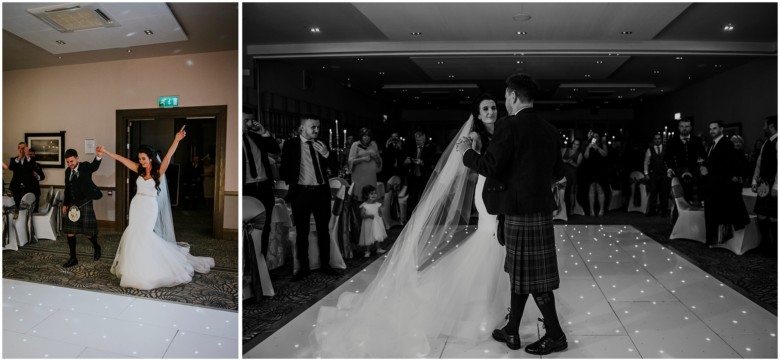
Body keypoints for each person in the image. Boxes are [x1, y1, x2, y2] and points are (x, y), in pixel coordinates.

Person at [313, 93, 512, 357]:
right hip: (487, 191)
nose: (490, 112)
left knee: (497, 242)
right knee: (489, 239)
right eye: (485, 108)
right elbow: (471, 167)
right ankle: (481, 303)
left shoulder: (503, 130)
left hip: (501, 191)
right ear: (477, 113)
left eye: (492, 107)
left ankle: (497, 300)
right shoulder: (475, 137)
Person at [460, 74, 566, 355]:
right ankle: (512, 329)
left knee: (534, 278)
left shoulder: (509, 125)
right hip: (540, 209)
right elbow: (557, 173)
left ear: (514, 96)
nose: (504, 103)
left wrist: (467, 152)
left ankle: (555, 335)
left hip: (519, 212)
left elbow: (490, 166)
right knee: (519, 273)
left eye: (506, 97)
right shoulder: (549, 130)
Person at [99, 126, 215, 290]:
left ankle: (150, 269)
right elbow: (121, 159)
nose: (141, 161)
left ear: (151, 158)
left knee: (146, 235)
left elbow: (168, 156)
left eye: (144, 158)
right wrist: (106, 152)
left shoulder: (159, 171)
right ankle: (134, 267)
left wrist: (176, 139)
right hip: (137, 205)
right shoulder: (138, 170)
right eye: (139, 158)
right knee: (134, 233)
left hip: (149, 206)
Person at [280, 114, 340, 281]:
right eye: (313, 127)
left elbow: (335, 169)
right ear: (302, 127)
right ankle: (304, 267)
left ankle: (326, 264)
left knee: (323, 230)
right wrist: (292, 179)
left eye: (318, 127)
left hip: (321, 192)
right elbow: (284, 168)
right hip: (301, 193)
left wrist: (327, 154)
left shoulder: (322, 144)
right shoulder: (291, 145)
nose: (316, 130)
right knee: (302, 232)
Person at [700, 121, 750, 246]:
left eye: (715, 128)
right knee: (709, 214)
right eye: (710, 129)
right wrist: (703, 167)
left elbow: (726, 165)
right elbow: (710, 162)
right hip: (711, 184)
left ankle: (714, 240)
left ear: (721, 129)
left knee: (715, 214)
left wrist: (708, 170)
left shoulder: (726, 144)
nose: (712, 131)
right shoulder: (712, 144)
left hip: (720, 186)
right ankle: (710, 240)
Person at [243, 110, 281, 257]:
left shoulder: (256, 136)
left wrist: (264, 132)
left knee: (264, 229)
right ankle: (247, 268)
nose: (250, 123)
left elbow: (275, 150)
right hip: (247, 189)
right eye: (246, 120)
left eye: (251, 120)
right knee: (245, 230)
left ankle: (261, 267)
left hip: (264, 188)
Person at [61, 147, 103, 268]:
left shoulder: (84, 166)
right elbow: (67, 189)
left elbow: (94, 166)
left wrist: (99, 155)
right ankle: (73, 258)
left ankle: (96, 247)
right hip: (72, 203)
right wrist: (65, 204)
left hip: (85, 202)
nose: (70, 164)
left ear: (77, 158)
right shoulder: (67, 171)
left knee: (88, 233)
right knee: (70, 232)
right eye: (68, 162)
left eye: (72, 161)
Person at [664, 117, 707, 209]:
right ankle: (678, 220)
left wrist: (701, 166)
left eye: (687, 126)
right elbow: (667, 158)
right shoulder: (672, 141)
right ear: (679, 128)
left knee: (695, 200)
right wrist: (670, 168)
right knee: (679, 200)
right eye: (682, 126)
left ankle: (695, 220)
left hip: (695, 172)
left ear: (690, 128)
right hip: (678, 172)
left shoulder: (697, 140)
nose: (684, 128)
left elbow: (703, 156)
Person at [752, 115, 777, 257]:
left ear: (772, 126)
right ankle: (765, 244)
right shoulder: (766, 143)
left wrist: (777, 186)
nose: (763, 127)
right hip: (763, 184)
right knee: (761, 214)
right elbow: (759, 164)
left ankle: (775, 248)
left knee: (774, 217)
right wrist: (755, 181)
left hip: (774, 185)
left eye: (765, 125)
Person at [404, 131, 437, 215]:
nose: (418, 142)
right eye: (416, 140)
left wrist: (422, 162)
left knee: (424, 196)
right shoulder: (411, 147)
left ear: (424, 139)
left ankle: (425, 214)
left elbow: (433, 161)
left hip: (424, 176)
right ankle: (411, 216)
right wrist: (407, 161)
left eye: (420, 140)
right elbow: (406, 156)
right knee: (412, 197)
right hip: (413, 176)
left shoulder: (430, 147)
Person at [9, 142, 44, 212]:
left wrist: (27, 156)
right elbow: (11, 167)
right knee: (17, 210)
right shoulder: (14, 159)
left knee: (29, 211)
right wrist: (19, 157)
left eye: (24, 148)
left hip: (29, 189)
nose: (23, 150)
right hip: (17, 189)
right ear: (18, 149)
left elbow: (33, 167)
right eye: (21, 148)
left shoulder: (31, 160)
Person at [348, 127, 382, 197]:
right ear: (361, 136)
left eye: (369, 136)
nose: (367, 138)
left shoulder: (374, 145)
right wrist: (363, 159)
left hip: (371, 177)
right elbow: (350, 162)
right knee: (360, 199)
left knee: (371, 199)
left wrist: (376, 158)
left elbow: (379, 163)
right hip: (359, 178)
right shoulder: (355, 145)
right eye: (365, 136)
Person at [582, 131, 609, 216]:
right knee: (591, 188)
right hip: (590, 169)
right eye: (593, 136)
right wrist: (588, 147)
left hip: (600, 170)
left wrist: (597, 147)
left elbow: (605, 155)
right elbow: (586, 156)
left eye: (596, 136)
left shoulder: (602, 145)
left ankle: (601, 210)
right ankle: (592, 210)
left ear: (599, 138)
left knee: (600, 188)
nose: (595, 138)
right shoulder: (588, 145)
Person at [644, 134, 670, 217]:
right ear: (653, 140)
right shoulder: (649, 150)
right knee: (653, 193)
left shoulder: (666, 149)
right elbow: (646, 162)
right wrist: (646, 173)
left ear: (661, 140)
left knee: (664, 193)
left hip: (664, 174)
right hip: (654, 174)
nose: (657, 140)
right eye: (656, 139)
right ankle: (652, 210)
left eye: (659, 139)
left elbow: (670, 161)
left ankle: (664, 211)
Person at [358, 184, 386, 257]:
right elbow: (362, 215)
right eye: (371, 194)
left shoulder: (377, 204)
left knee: (376, 236)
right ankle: (367, 251)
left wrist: (380, 216)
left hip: (376, 223)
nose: (374, 195)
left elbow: (379, 212)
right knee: (368, 237)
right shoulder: (364, 205)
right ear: (366, 195)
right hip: (368, 224)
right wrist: (368, 216)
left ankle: (378, 248)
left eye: (375, 193)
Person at [561, 138, 582, 214]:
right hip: (564, 172)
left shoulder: (579, 154)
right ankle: (562, 209)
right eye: (574, 144)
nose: (575, 146)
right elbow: (559, 159)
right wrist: (565, 161)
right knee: (562, 190)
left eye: (577, 144)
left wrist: (571, 163)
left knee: (572, 191)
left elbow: (578, 165)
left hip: (572, 173)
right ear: (572, 144)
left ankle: (571, 209)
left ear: (579, 146)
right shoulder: (565, 150)